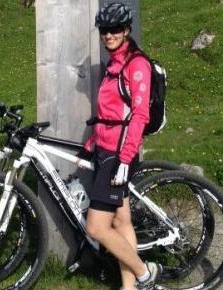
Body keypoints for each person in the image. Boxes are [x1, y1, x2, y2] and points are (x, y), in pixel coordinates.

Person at [77, 3, 161, 290]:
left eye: (115, 29)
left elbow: (139, 116)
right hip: (106, 150)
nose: (109, 35)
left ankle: (144, 272)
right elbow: (111, 115)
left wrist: (125, 160)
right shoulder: (114, 63)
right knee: (122, 221)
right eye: (104, 30)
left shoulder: (136, 64)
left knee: (97, 227)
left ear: (126, 30)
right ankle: (129, 287)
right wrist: (91, 143)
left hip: (119, 157)